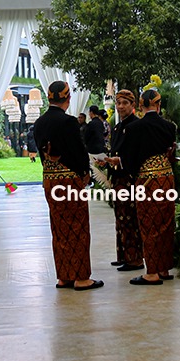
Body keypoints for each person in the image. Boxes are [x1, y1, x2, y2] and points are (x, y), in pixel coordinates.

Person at [34, 81, 102, 291]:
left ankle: (64, 276)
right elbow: (78, 151)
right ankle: (81, 278)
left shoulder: (39, 122)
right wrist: (85, 173)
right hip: (69, 180)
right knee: (78, 227)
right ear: (68, 98)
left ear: (49, 98)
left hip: (50, 179)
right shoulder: (69, 122)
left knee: (59, 227)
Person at [119, 89, 177, 285]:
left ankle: (151, 272)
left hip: (146, 180)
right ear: (158, 105)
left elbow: (129, 160)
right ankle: (164, 269)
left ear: (140, 106)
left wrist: (134, 173)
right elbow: (171, 152)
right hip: (166, 178)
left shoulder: (134, 128)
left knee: (148, 224)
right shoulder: (169, 127)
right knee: (166, 222)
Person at [104, 89, 144, 272]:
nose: (120, 107)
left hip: (129, 179)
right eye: (118, 103)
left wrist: (119, 161)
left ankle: (135, 259)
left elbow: (137, 154)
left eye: (124, 103)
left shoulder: (136, 126)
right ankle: (123, 256)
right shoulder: (117, 127)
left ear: (132, 105)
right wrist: (107, 160)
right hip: (117, 178)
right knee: (120, 218)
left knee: (129, 219)